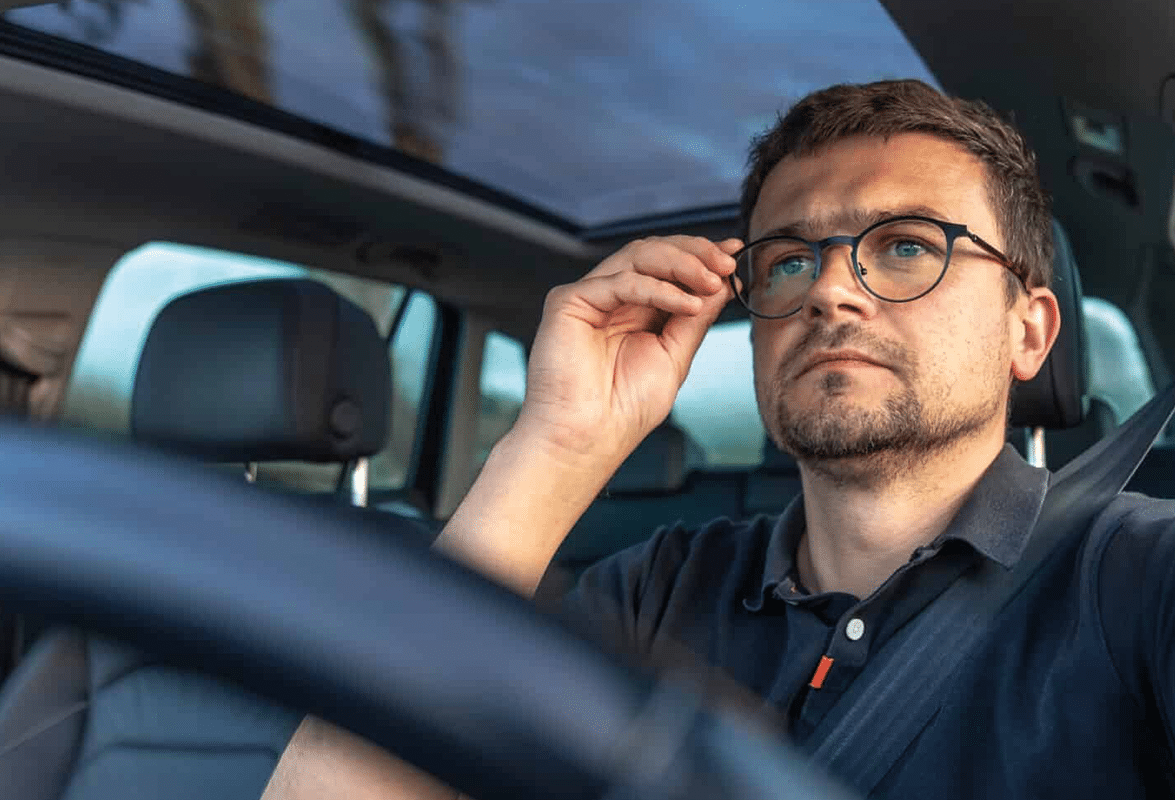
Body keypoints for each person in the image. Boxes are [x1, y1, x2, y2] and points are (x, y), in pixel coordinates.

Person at [261, 79, 1175, 799]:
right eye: (787, 261)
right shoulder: (653, 591)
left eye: (904, 245)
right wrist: (559, 444)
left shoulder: (1136, 576)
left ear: (1030, 331)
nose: (829, 291)